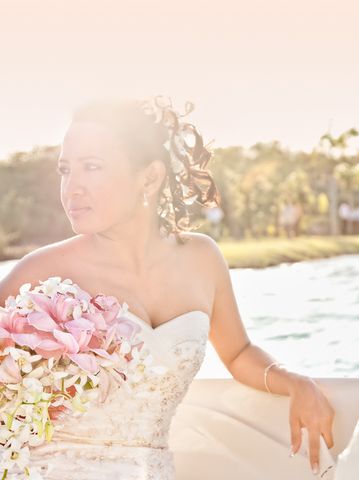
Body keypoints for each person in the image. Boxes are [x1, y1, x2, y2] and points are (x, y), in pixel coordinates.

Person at [0, 96, 335, 478]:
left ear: (150, 177)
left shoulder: (201, 258)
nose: (71, 187)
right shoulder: (41, 271)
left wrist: (294, 383)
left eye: (91, 167)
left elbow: (238, 352)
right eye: (64, 170)